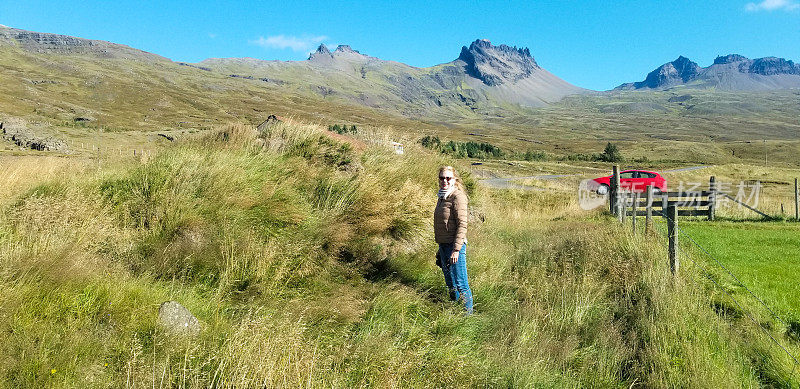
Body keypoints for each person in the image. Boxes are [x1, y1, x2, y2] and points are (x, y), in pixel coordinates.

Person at [434, 166, 473, 314]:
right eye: (442, 178)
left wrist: (456, 250)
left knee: (461, 284)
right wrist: (440, 248)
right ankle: (455, 310)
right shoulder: (442, 196)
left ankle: (467, 317)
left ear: (454, 179)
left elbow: (462, 224)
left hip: (455, 246)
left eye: (448, 178)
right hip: (443, 245)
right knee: (450, 283)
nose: (445, 181)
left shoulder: (458, 196)